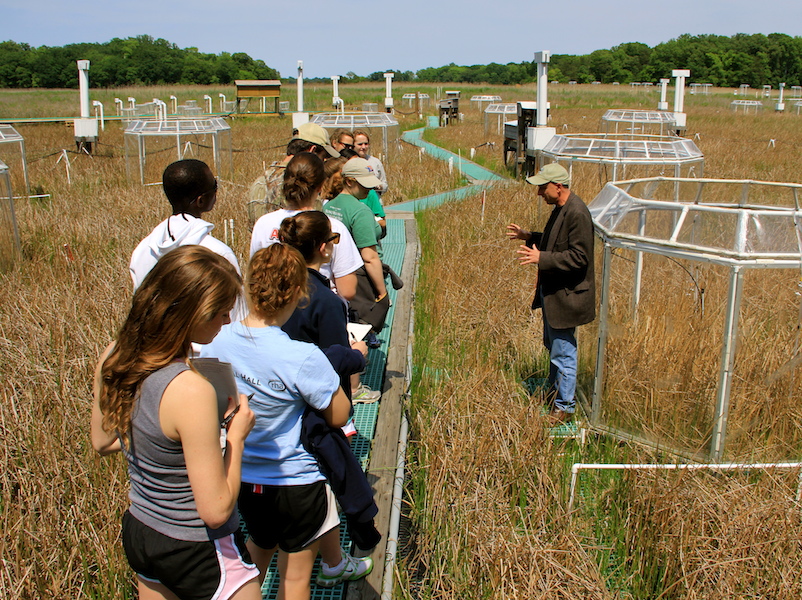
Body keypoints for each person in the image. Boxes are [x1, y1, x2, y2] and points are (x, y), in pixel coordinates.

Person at [199, 244, 373, 599]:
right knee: (295, 579)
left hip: (244, 476)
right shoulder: (302, 356)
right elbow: (340, 415)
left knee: (256, 552)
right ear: (298, 293)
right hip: (297, 481)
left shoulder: (216, 340)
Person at [91, 245, 261, 600]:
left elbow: (103, 442)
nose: (226, 321)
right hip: (197, 547)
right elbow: (215, 510)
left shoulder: (114, 355)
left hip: (143, 531)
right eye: (220, 312)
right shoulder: (190, 390)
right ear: (188, 313)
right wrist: (237, 436)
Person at [506, 163, 595, 425]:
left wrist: (541, 257)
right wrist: (530, 236)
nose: (539, 193)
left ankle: (564, 407)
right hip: (555, 294)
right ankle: (556, 393)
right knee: (554, 347)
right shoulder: (561, 208)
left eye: (542, 188)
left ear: (558, 186)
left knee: (564, 351)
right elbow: (554, 240)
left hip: (567, 297)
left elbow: (579, 258)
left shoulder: (577, 213)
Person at [130, 159, 247, 321]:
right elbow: (236, 318)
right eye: (215, 186)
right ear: (201, 201)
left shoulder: (143, 250)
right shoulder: (217, 254)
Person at [250, 152, 362, 302]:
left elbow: (255, 275)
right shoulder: (332, 227)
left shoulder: (263, 224)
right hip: (322, 312)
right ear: (321, 186)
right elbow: (347, 290)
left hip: (275, 311)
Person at [247, 123, 341, 226]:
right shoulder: (304, 182)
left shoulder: (260, 180)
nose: (324, 162)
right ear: (312, 150)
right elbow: (314, 226)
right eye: (323, 156)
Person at [353, 129, 388, 195]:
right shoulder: (349, 163)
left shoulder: (375, 162)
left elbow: (385, 184)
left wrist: (379, 186)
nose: (363, 147)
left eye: (366, 144)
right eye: (360, 144)